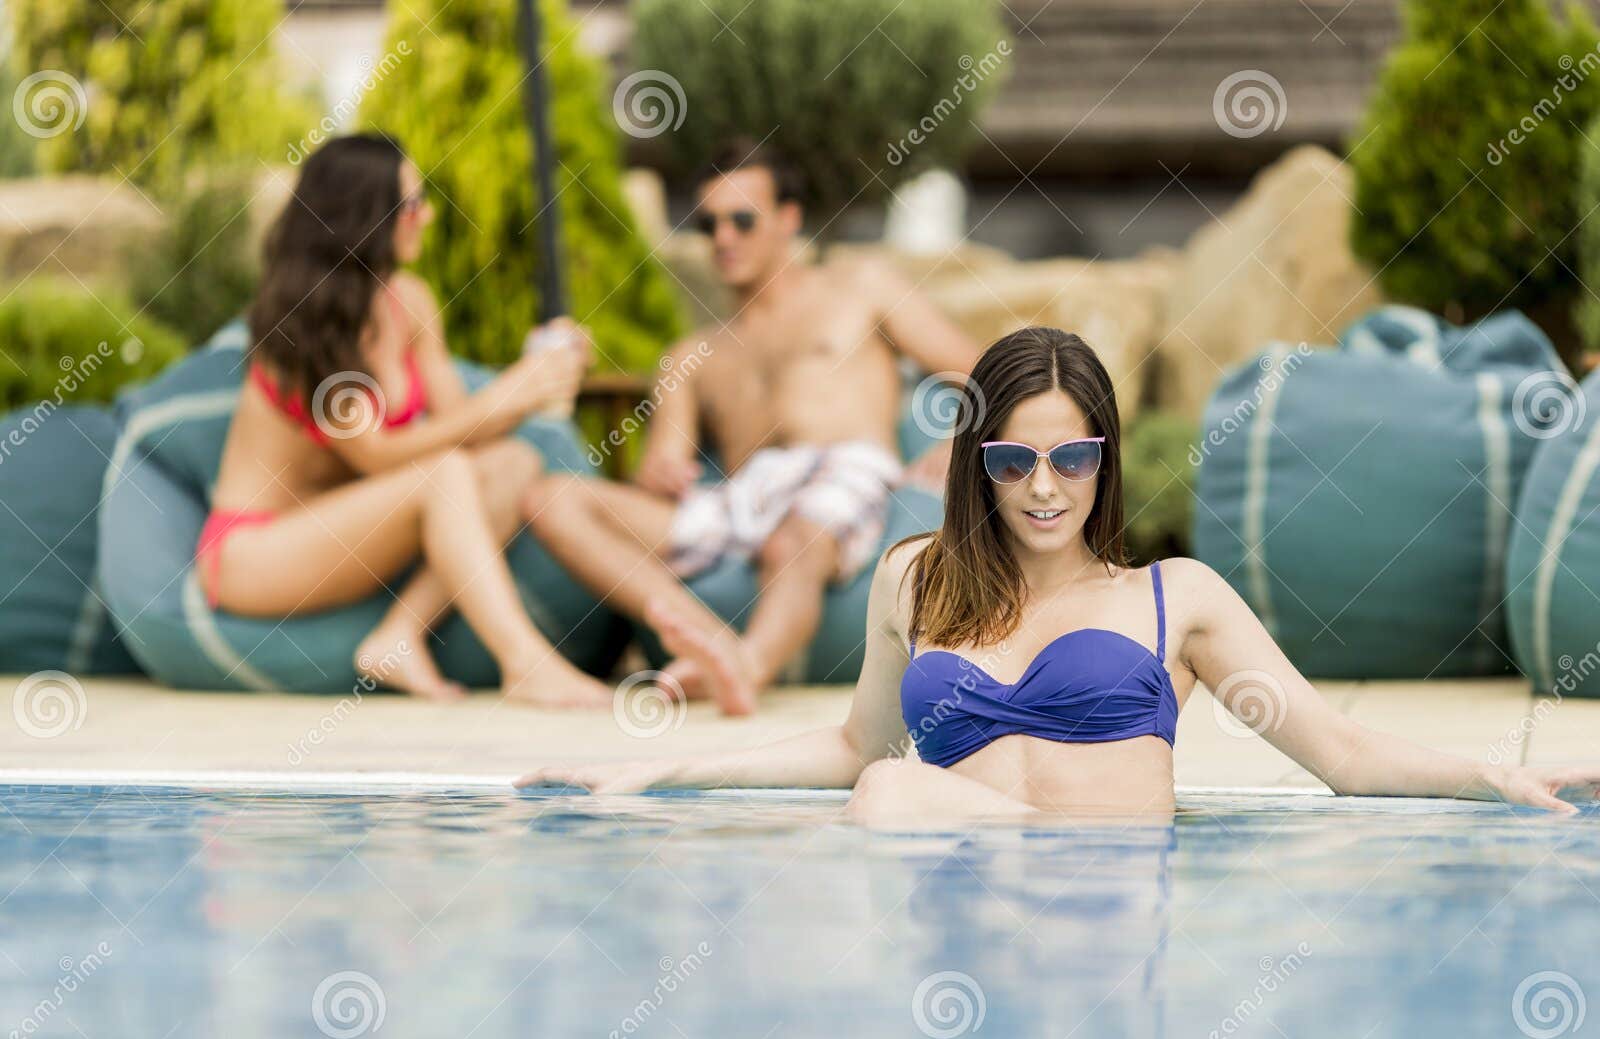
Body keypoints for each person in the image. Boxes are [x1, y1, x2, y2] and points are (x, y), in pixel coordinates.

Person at [517, 327, 1600, 821]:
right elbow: (852, 744)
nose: (1044, 486)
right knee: (884, 780)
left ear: (1105, 461)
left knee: (892, 791)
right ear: (974, 464)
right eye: (1013, 459)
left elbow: (1346, 754)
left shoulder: (1176, 598)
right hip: (954, 912)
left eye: (1073, 456)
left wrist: (1499, 777)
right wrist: (652, 776)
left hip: (1109, 899)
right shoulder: (915, 579)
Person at [523, 139, 982, 715]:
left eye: (742, 219)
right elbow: (661, 469)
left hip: (843, 472)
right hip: (744, 497)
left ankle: (748, 668)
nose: (723, 237)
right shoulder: (691, 355)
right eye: (709, 222)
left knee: (792, 538)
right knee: (549, 499)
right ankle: (712, 642)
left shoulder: (859, 288)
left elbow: (986, 370)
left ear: (788, 219)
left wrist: (957, 441)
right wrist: (661, 469)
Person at [202, 133, 612, 708]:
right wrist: (507, 395)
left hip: (346, 529)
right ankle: (525, 662)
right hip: (255, 553)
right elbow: (373, 454)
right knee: (444, 472)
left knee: (514, 463)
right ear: (365, 218)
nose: (428, 216)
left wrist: (535, 378)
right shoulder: (297, 325)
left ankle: (398, 634)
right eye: (413, 205)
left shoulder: (410, 301)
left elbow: (462, 425)